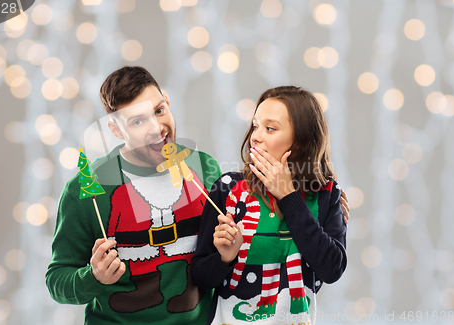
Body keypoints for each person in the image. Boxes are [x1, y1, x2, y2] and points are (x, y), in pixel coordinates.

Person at [46, 66, 223, 324]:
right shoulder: (85, 191)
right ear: (116, 130)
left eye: (159, 111)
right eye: (138, 121)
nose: (157, 128)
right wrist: (93, 277)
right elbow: (57, 281)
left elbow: (221, 261)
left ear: (168, 102)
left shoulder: (205, 169)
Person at [191, 86, 347, 324]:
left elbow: (331, 269)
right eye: (255, 125)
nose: (256, 136)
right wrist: (224, 258)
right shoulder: (226, 188)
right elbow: (200, 278)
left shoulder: (326, 194)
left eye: (270, 128)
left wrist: (288, 196)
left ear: (302, 141)